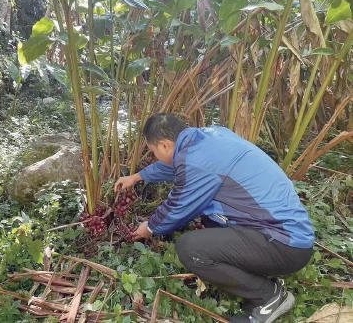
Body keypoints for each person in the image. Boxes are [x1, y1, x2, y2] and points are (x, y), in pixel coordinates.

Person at [114, 113, 315, 323]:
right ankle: (253, 272)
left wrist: (151, 227)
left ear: (164, 146)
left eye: (153, 151)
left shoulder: (196, 163)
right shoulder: (211, 136)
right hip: (286, 231)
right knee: (210, 222)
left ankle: (269, 297)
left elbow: (178, 206)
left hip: (286, 245)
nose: (155, 155)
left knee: (190, 249)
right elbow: (177, 165)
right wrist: (137, 177)